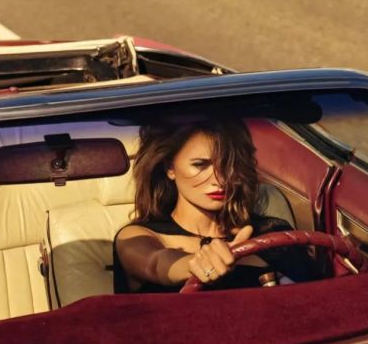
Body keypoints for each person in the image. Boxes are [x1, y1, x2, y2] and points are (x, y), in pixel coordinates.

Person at [113, 119, 321, 293]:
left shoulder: (271, 231)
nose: (220, 180)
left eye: (229, 165)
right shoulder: (138, 236)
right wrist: (194, 264)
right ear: (170, 168)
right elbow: (156, 263)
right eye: (200, 165)